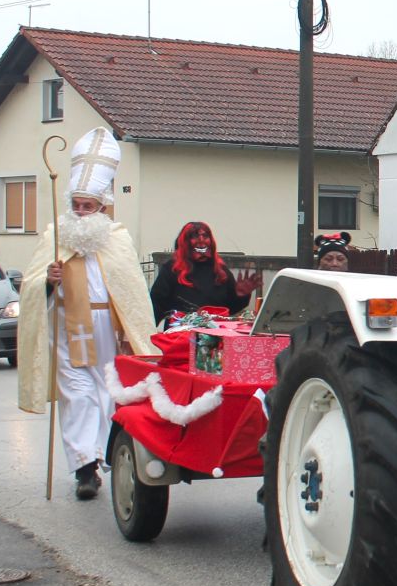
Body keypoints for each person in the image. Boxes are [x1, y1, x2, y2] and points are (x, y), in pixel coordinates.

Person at [18, 127, 157, 500]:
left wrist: (133, 330)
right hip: (68, 326)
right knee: (77, 396)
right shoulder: (55, 236)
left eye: (88, 206)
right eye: (76, 205)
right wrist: (48, 280)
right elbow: (30, 287)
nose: (81, 213)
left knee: (106, 395)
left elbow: (131, 292)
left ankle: (105, 457)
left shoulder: (116, 238)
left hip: (107, 329)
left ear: (102, 206)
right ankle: (84, 468)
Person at [149, 221, 261, 324]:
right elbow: (155, 306)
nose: (201, 240)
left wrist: (241, 295)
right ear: (184, 243)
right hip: (181, 335)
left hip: (215, 336)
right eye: (194, 236)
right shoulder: (172, 269)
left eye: (205, 236)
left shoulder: (220, 271)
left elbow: (231, 308)